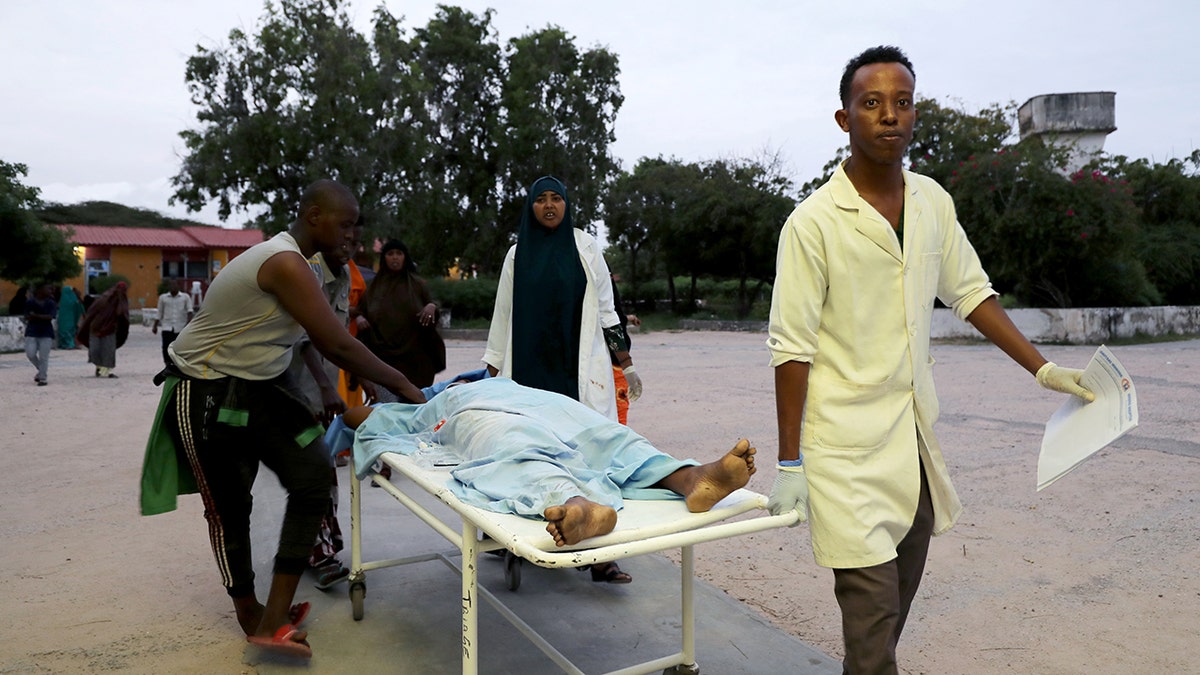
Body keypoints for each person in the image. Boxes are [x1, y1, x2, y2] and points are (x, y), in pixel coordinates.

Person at [764, 46, 1096, 675]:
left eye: (903, 102)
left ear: (916, 115)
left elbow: (971, 292)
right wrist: (790, 461)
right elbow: (792, 348)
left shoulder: (933, 203)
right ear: (844, 120)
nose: (890, 115)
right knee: (870, 625)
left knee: (889, 616)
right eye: (872, 103)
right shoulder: (812, 224)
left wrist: (1045, 370)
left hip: (911, 445)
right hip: (842, 451)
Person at [138, 179, 426, 660]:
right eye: (346, 223)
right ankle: (250, 612)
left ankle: (275, 615)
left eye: (357, 226)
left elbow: (326, 336)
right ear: (313, 216)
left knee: (313, 479)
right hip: (206, 387)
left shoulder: (314, 265)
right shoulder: (284, 262)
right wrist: (404, 386)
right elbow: (335, 342)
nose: (353, 236)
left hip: (261, 386)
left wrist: (371, 377)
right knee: (231, 507)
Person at [339, 376, 756, 546]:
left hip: (522, 405)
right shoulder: (433, 402)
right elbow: (357, 417)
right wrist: (417, 398)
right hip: (498, 411)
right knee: (548, 440)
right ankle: (584, 502)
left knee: (593, 435)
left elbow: (353, 416)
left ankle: (690, 480)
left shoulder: (479, 387)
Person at [483, 175, 644, 583]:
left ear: (567, 204)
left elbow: (608, 310)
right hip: (529, 372)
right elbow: (502, 320)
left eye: (557, 198)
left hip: (576, 370)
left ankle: (600, 554)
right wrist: (491, 377)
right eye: (541, 200)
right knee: (527, 452)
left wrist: (625, 362)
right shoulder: (517, 256)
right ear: (530, 207)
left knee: (588, 455)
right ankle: (516, 541)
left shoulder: (586, 247)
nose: (550, 206)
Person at [356, 239, 446, 397]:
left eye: (399, 253)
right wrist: (358, 317)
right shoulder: (372, 288)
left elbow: (433, 304)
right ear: (384, 258)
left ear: (405, 257)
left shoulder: (417, 285)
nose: (395, 257)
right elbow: (359, 311)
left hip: (414, 359)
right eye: (390, 254)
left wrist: (432, 307)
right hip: (383, 358)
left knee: (414, 404)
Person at [77, 281, 130, 378]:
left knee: (108, 350)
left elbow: (122, 314)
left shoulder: (121, 300)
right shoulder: (104, 298)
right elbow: (92, 312)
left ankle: (106, 371)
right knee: (95, 350)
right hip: (95, 327)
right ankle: (99, 368)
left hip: (110, 328)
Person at [151, 279, 194, 367]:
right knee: (166, 346)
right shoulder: (163, 298)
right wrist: (155, 325)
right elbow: (159, 312)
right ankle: (167, 364)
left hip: (180, 327)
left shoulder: (185, 297)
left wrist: (189, 325)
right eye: (171, 285)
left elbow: (190, 311)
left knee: (179, 347)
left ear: (178, 286)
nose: (172, 287)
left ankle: (179, 364)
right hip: (167, 326)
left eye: (174, 285)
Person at [23, 283, 57, 386]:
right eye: (48, 289)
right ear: (40, 290)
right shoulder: (30, 302)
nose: (50, 291)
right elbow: (27, 316)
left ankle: (42, 378)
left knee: (44, 357)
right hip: (32, 331)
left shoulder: (51, 303)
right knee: (30, 354)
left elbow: (51, 317)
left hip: (46, 332)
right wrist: (41, 317)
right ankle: (41, 369)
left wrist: (36, 316)